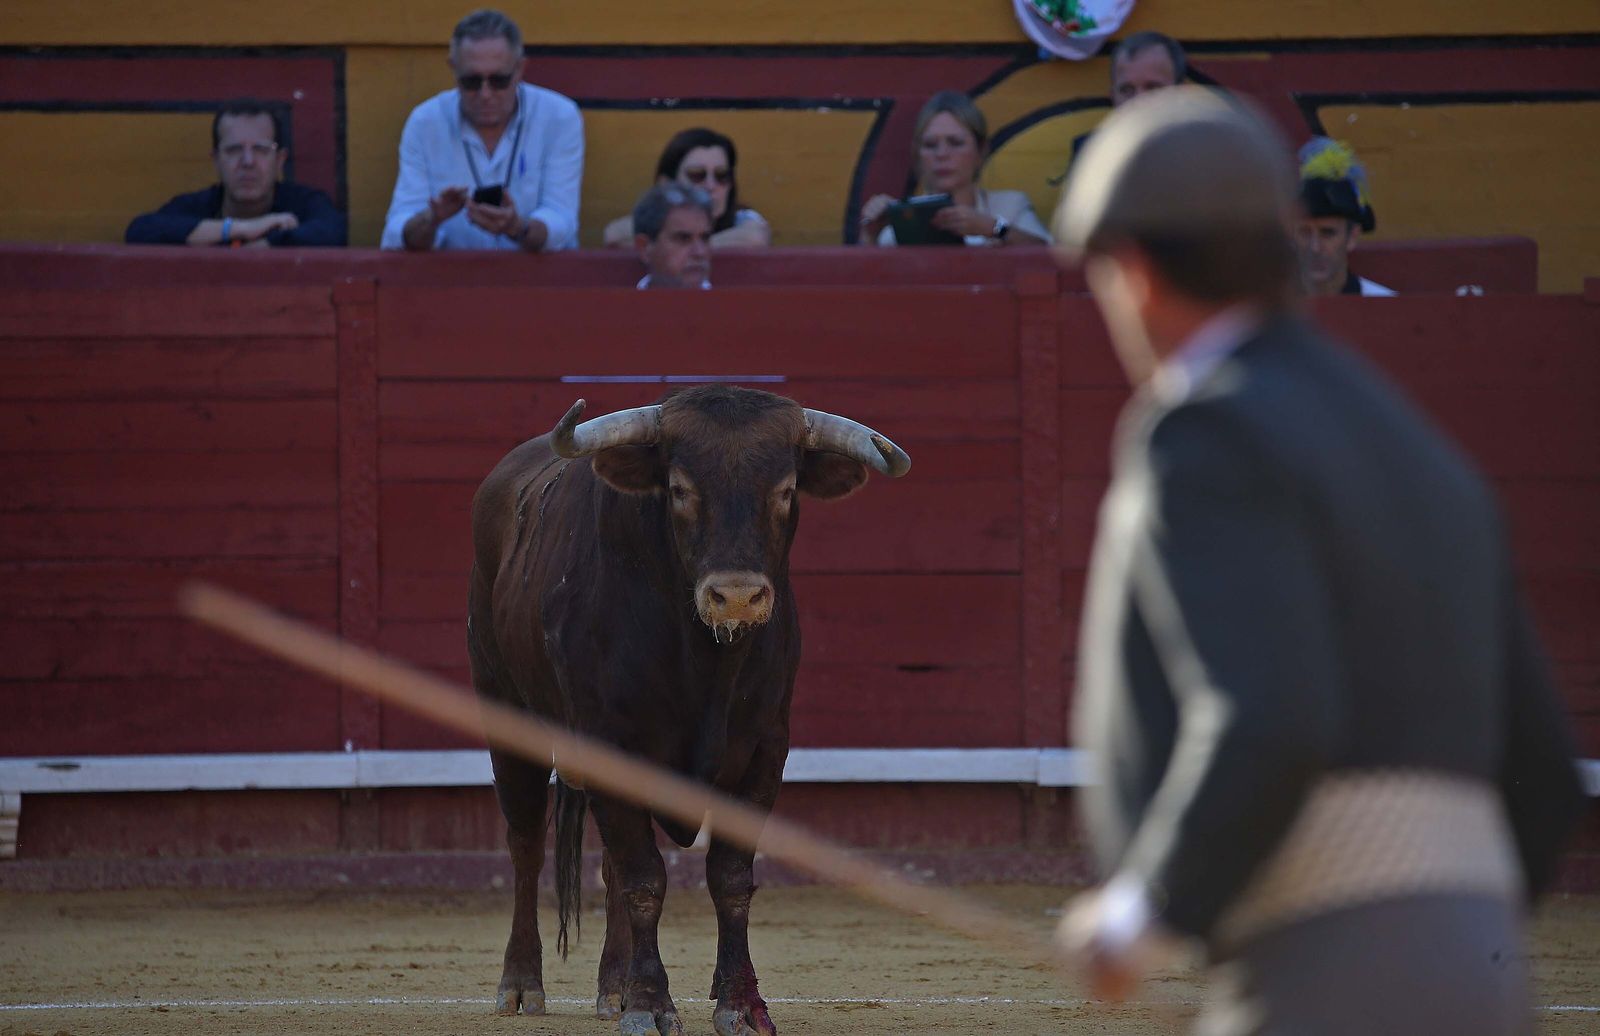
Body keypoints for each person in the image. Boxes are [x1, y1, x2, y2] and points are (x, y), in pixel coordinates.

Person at [1051, 87, 1584, 1033]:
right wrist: (1454, 933)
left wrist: (1148, 907)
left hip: (1325, 970)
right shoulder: (1419, 447)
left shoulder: (1203, 428)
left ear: (1132, 270)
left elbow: (1270, 717)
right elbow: (1542, 771)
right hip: (1487, 972)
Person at [381, 8, 582, 252]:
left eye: (499, 81)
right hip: (450, 279)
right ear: (453, 69)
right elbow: (398, 229)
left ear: (520, 69)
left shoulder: (558, 117)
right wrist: (431, 219)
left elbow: (561, 217)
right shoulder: (425, 122)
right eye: (471, 82)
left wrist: (518, 228)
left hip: (536, 280)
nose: (485, 94)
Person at [124, 99, 346, 247]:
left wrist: (269, 243)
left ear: (280, 160)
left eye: (260, 150)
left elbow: (333, 232)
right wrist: (241, 229)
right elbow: (141, 231)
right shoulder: (200, 205)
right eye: (234, 150)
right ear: (217, 161)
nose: (247, 162)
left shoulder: (305, 203)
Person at [858, 90, 1051, 247]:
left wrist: (993, 227)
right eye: (931, 145)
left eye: (956, 142)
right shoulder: (901, 226)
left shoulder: (1011, 206)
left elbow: (1049, 256)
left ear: (981, 150)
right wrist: (870, 235)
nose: (942, 154)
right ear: (918, 155)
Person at [603, 127, 771, 249]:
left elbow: (755, 238)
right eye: (697, 175)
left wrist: (677, 248)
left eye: (721, 176)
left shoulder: (742, 219)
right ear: (666, 184)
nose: (711, 186)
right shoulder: (654, 219)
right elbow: (615, 235)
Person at [1063, 32, 1187, 174]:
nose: (1139, 101)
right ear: (1113, 96)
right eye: (1127, 90)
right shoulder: (1090, 155)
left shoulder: (1207, 155)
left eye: (1153, 88)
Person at [1297, 136, 1395, 297]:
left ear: (1352, 237)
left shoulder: (1387, 305)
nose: (1315, 247)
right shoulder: (1265, 311)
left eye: (1327, 233)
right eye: (1305, 233)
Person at [633, 183, 713, 290]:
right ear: (645, 247)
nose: (700, 252)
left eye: (705, 238)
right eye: (683, 239)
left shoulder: (733, 305)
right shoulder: (619, 306)